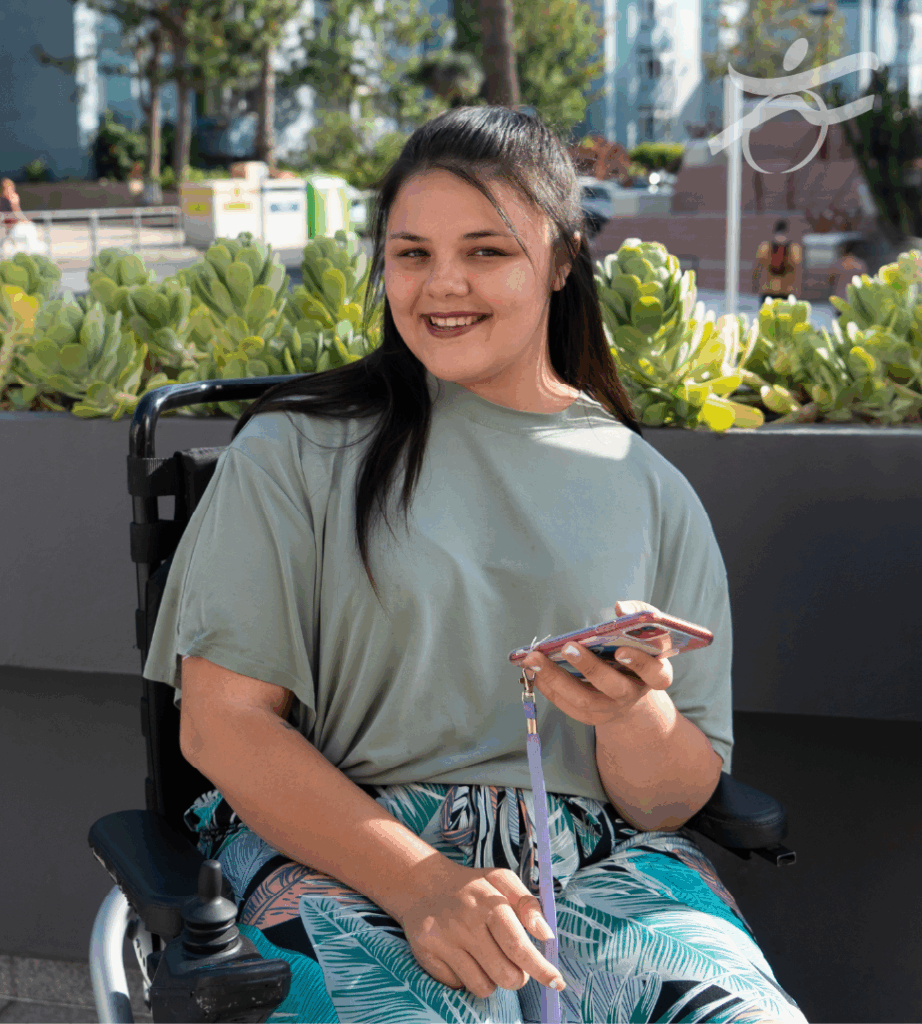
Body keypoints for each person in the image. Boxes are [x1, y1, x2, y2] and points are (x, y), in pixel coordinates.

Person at [143, 106, 809, 1023]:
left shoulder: (652, 490)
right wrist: (422, 884)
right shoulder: (292, 453)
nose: (441, 284)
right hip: (347, 853)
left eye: (487, 251)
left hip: (608, 867)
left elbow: (674, 798)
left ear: (562, 261)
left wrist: (634, 714)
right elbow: (222, 729)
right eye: (411, 253)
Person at [752, 219, 802, 305]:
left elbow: (757, 267)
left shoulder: (765, 246)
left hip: (768, 289)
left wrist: (755, 283)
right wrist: (798, 288)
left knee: (766, 316)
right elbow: (797, 269)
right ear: (787, 231)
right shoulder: (793, 248)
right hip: (786, 290)